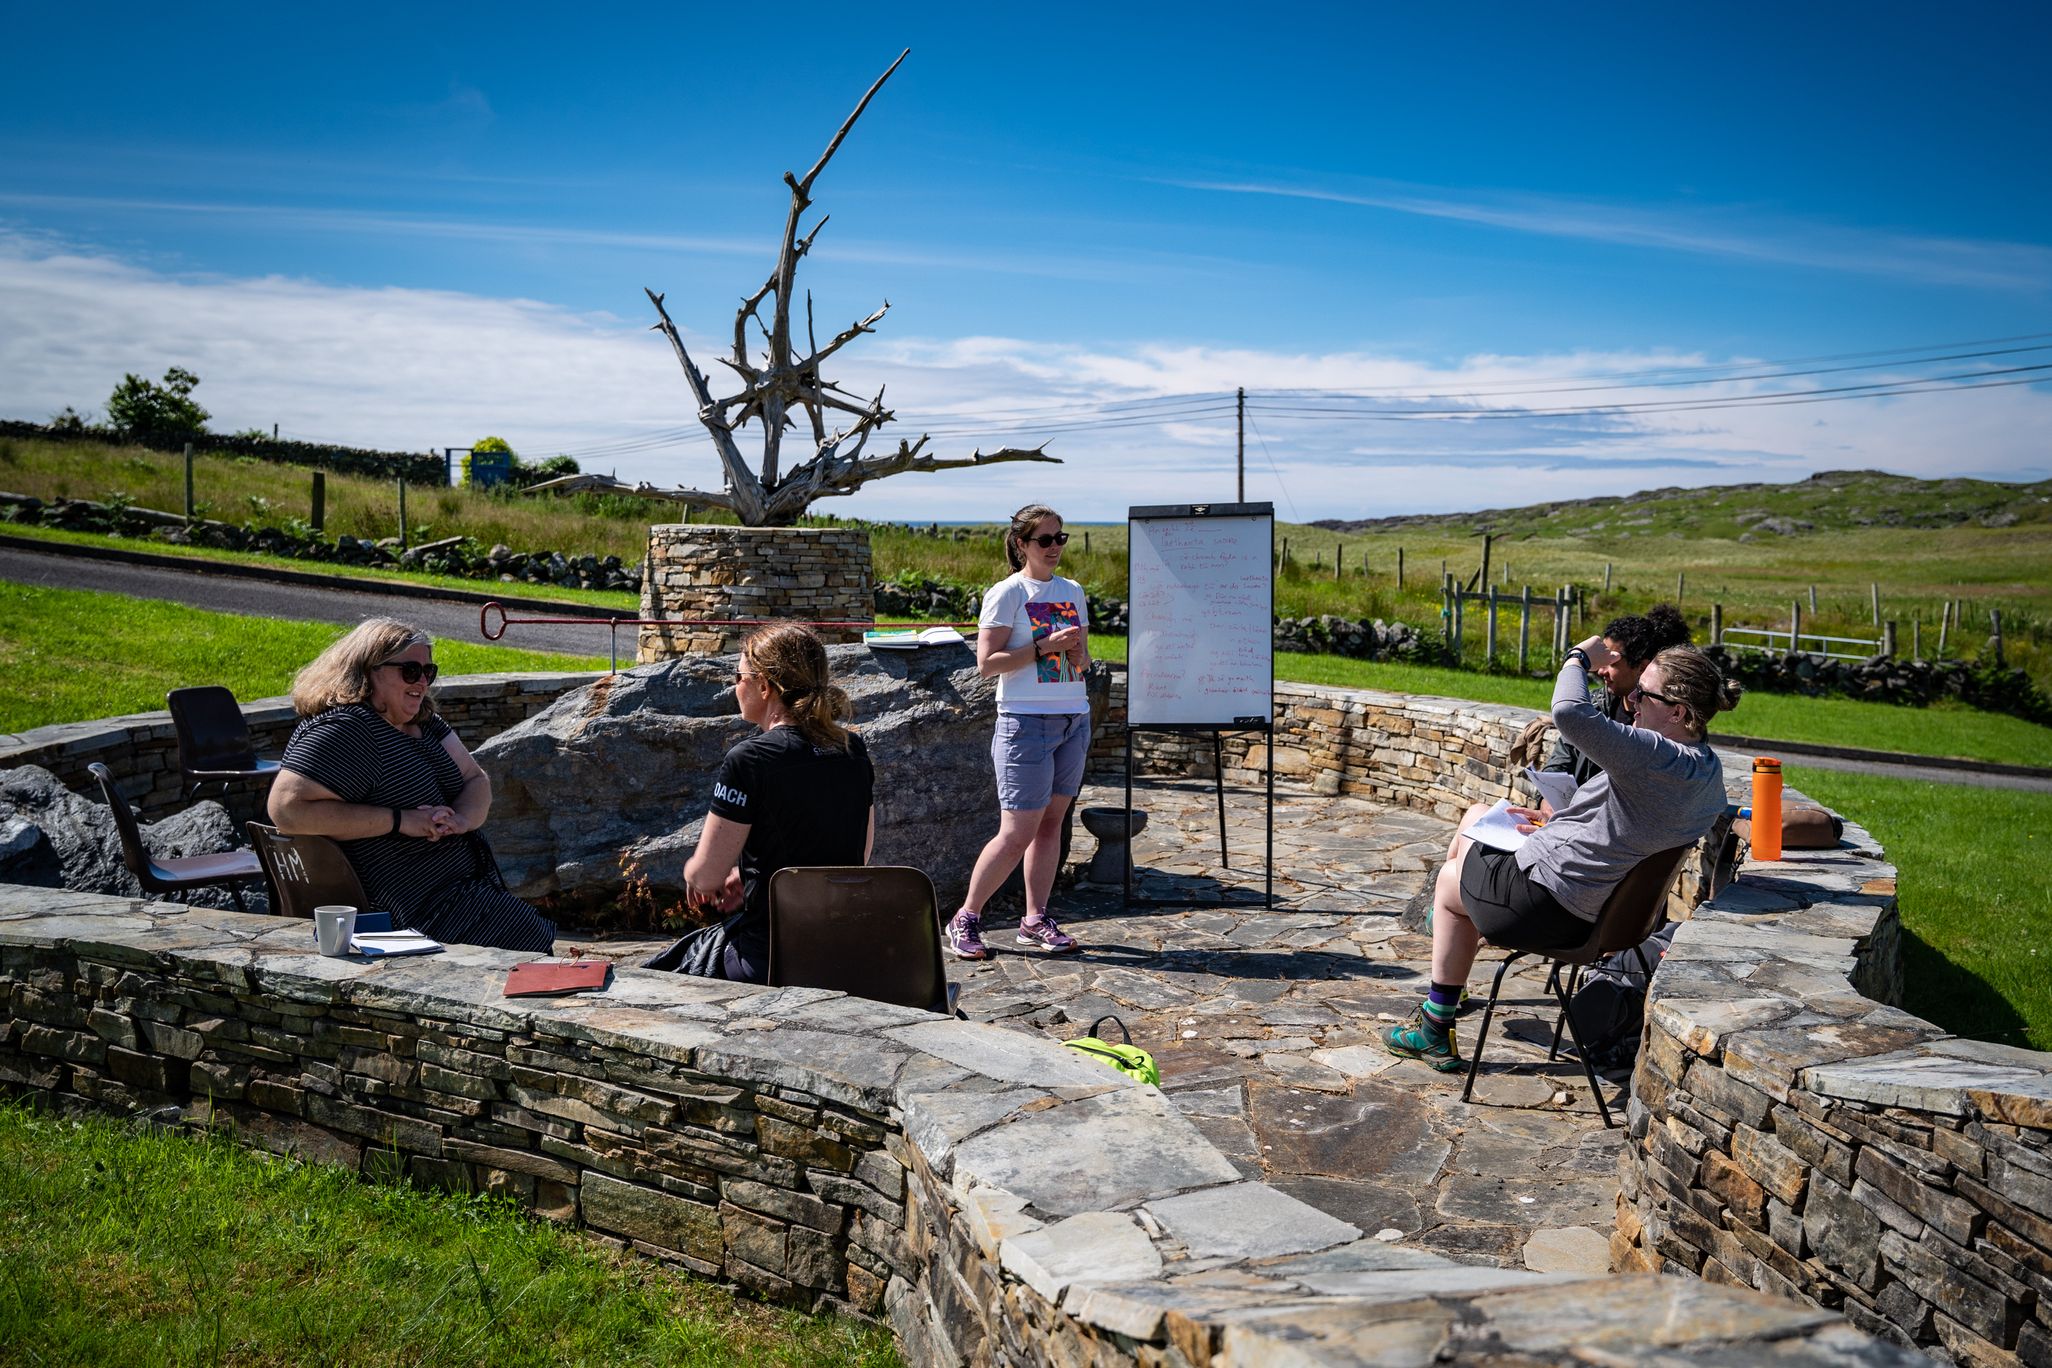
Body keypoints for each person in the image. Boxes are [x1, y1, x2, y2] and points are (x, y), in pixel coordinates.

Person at [1382, 640, 1742, 1072]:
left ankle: (1435, 1025)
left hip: (1544, 906)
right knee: (1478, 815)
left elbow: (1569, 714)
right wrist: (1556, 825)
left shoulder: (1655, 755)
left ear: (1680, 712)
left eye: (1644, 694)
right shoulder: (1705, 771)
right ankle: (1452, 968)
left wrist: (1577, 657)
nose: (1631, 701)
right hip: (1598, 915)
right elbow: (1625, 828)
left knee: (1449, 878)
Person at [269, 618, 555, 953]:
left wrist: (463, 819)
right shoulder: (348, 729)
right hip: (414, 911)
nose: (422, 681)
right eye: (410, 671)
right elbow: (286, 809)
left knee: (537, 944)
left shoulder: (425, 721)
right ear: (370, 670)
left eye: (427, 672)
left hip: (461, 893)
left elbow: (476, 779)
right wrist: (400, 820)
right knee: (535, 946)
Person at [668, 622, 875, 984]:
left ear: (764, 686)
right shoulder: (851, 749)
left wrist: (695, 874)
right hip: (841, 953)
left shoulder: (749, 759)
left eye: (739, 675)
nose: (735, 686)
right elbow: (858, 854)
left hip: (768, 957)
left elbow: (705, 876)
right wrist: (746, 876)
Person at [944, 503, 1091, 959]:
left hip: (1073, 718)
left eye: (1060, 537)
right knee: (1015, 833)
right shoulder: (1007, 593)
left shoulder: (1073, 590)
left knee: (1052, 825)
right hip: (1024, 722)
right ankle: (965, 917)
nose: (1054, 547)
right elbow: (987, 665)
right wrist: (1045, 646)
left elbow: (1083, 660)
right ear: (1022, 544)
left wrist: (1078, 655)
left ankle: (1035, 918)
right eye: (1044, 540)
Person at [1541, 603, 1692, 791]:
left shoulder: (1669, 724)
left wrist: (1577, 658)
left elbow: (1567, 712)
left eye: (1611, 662)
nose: (1600, 670)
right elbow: (1564, 755)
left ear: (1642, 667)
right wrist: (1547, 798)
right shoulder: (1595, 704)